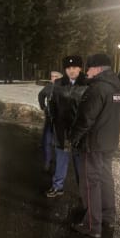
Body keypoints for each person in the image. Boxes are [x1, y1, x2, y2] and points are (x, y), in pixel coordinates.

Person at [70, 53, 120, 238]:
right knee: (106, 178)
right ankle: (108, 216)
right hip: (109, 142)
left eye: (90, 68)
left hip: (93, 143)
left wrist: (73, 138)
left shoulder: (97, 89)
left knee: (90, 183)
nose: (87, 71)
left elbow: (85, 118)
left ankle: (92, 225)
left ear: (99, 68)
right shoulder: (116, 87)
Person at [46, 56, 87, 198]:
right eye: (68, 68)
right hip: (61, 129)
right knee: (61, 159)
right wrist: (53, 118)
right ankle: (58, 186)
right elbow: (52, 104)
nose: (72, 71)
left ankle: (84, 191)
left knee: (80, 163)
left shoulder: (87, 84)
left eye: (75, 67)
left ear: (80, 68)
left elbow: (90, 109)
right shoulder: (58, 83)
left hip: (79, 131)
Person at [38, 71, 63, 171]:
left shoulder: (64, 87)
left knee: (59, 143)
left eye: (56, 76)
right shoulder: (49, 87)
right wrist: (43, 106)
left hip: (61, 120)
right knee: (47, 140)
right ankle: (48, 161)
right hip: (50, 118)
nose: (54, 78)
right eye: (52, 76)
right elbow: (41, 95)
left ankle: (58, 163)